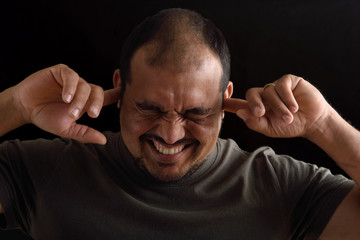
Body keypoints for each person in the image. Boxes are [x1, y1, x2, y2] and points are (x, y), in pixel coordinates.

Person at [0, 8, 359, 240]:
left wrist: (324, 125)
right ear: (120, 90)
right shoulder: (50, 168)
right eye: (150, 109)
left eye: (195, 113)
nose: (170, 133)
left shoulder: (277, 185)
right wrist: (14, 104)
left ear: (225, 98)